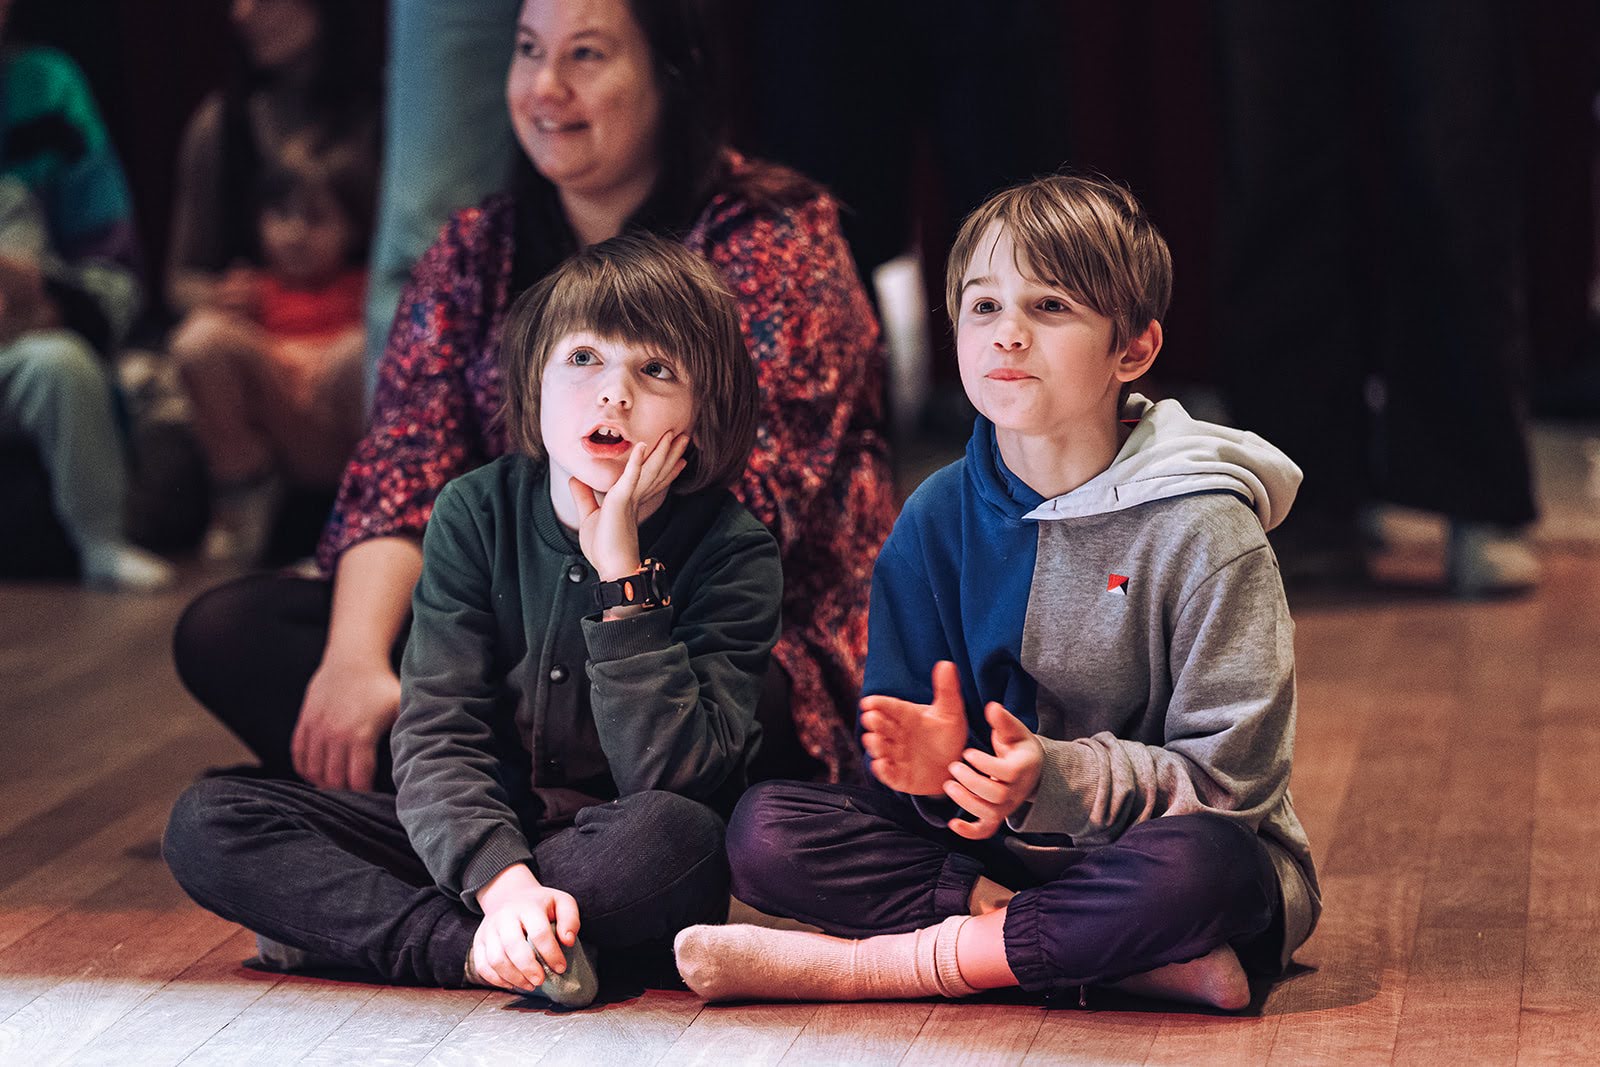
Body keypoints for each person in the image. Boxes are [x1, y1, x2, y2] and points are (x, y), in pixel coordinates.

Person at [172, 0, 895, 791]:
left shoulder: (773, 238)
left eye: (585, 55)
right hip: (511, 618)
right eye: (527, 50)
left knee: (725, 711)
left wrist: (586, 594)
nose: (545, 87)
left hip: (700, 621)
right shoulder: (479, 245)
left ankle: (475, 800)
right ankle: (522, 805)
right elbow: (405, 464)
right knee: (232, 632)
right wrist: (356, 660)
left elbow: (746, 504)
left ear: (670, 73)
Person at [675, 175, 1321, 1011]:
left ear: (1133, 349)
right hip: (998, 861)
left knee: (1214, 870)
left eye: (1050, 306)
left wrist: (1050, 775)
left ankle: (893, 965)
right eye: (983, 306)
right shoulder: (933, 516)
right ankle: (1096, 951)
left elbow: (1233, 786)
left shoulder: (1208, 529)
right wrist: (934, 773)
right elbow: (908, 770)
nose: (1007, 333)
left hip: (1158, 856)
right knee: (764, 829)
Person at [165, 233, 780, 1001]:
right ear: (535, 380)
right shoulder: (474, 509)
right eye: (583, 357)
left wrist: (623, 582)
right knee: (208, 820)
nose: (614, 393)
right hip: (476, 842)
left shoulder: (735, 549)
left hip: (614, 848)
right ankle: (487, 945)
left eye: (655, 370)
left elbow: (673, 777)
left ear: (704, 410)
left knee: (676, 838)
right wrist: (503, 883)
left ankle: (394, 931)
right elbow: (437, 730)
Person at [0, 16, 174, 591]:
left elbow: (114, 284)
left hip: (25, 344)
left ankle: (101, 542)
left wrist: (48, 299)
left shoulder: (45, 92)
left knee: (61, 363)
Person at [170, 134, 373, 563]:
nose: (296, 234)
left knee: (358, 352)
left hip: (341, 432)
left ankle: (368, 516)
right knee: (201, 338)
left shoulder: (369, 290)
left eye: (315, 219)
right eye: (282, 215)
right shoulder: (249, 293)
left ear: (352, 227)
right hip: (277, 437)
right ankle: (242, 494)